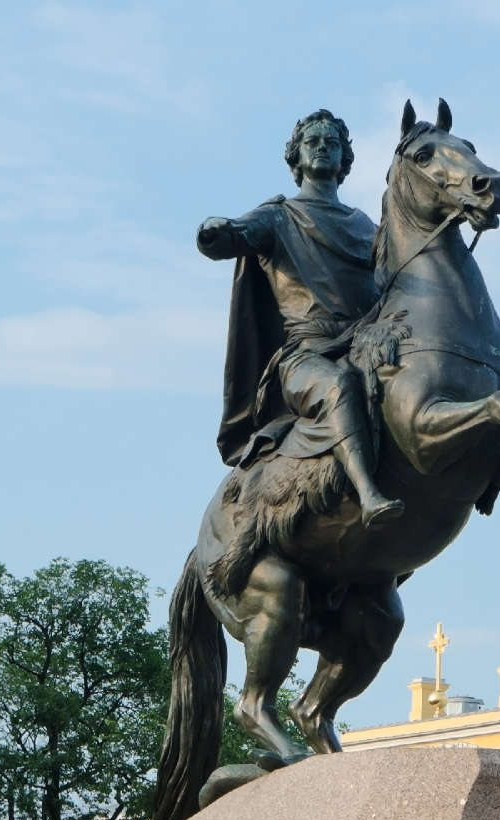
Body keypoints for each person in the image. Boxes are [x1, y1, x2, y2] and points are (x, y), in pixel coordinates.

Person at [199, 109, 404, 528]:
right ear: (296, 157)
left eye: (333, 142)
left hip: (362, 347)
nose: (324, 146)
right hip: (306, 359)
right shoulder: (279, 215)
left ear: (345, 158)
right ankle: (367, 493)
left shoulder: (365, 225)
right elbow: (231, 237)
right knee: (338, 387)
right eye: (313, 141)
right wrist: (214, 231)